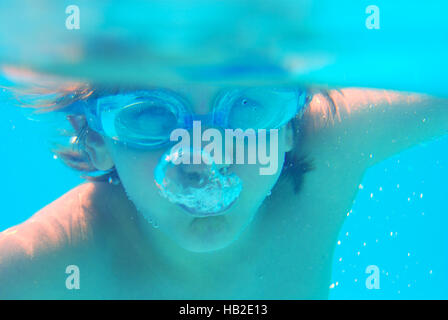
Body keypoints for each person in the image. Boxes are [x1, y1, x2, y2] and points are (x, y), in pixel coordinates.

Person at [0, 75, 447, 298]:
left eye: (248, 107)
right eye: (150, 116)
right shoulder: (60, 254)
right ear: (96, 138)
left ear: (293, 121)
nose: (202, 163)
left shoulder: (331, 143)